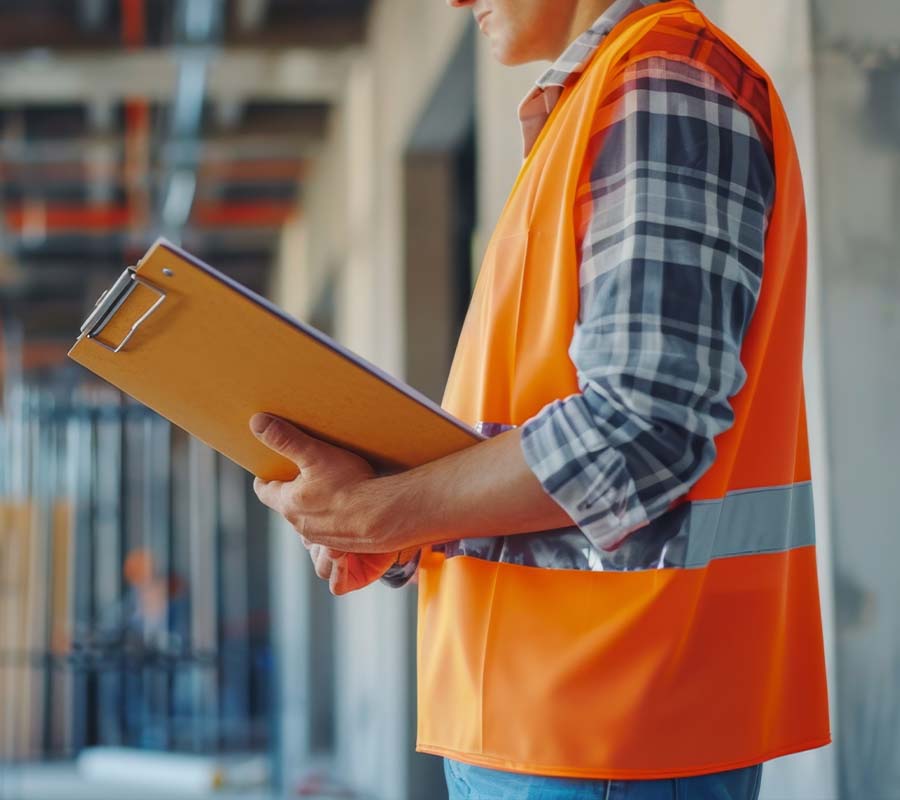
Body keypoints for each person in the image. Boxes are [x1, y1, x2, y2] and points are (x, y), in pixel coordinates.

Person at [249, 0, 832, 797]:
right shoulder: (599, 105)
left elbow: (640, 431)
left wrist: (387, 511)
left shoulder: (665, 85)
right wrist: (393, 515)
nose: (455, 2)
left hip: (610, 724)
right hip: (545, 721)